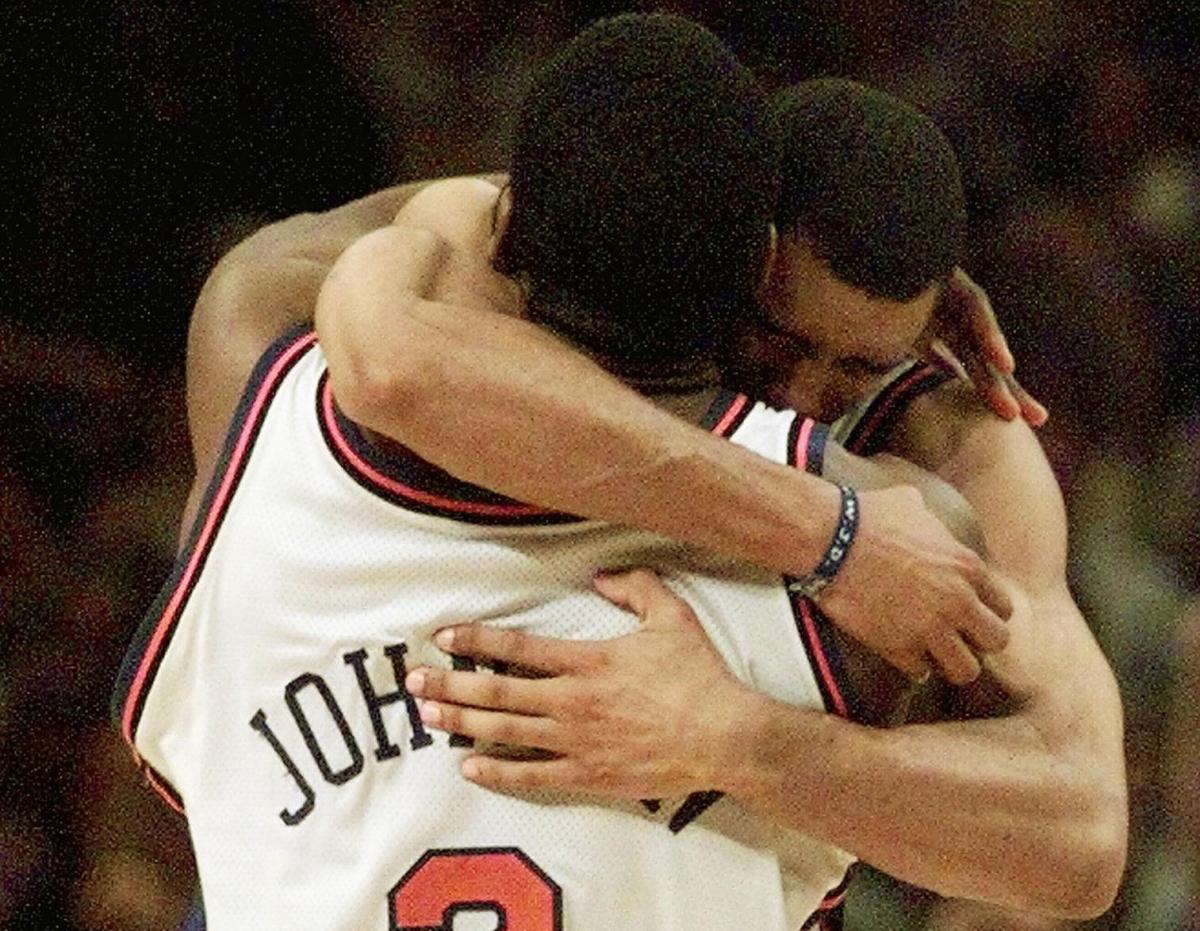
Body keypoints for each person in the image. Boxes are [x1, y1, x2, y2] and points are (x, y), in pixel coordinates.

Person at [114, 15, 905, 929]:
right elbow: (1071, 836)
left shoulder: (255, 360)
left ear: (512, 224)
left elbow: (298, 260)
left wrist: (530, 190)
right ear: (762, 268)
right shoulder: (872, 529)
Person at [316, 79, 1126, 919]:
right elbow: (372, 341)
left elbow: (1082, 841)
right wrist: (829, 534)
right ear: (728, 252)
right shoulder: (523, 284)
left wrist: (733, 738)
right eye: (778, 337)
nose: (806, 397)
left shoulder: (951, 453)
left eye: (859, 369)